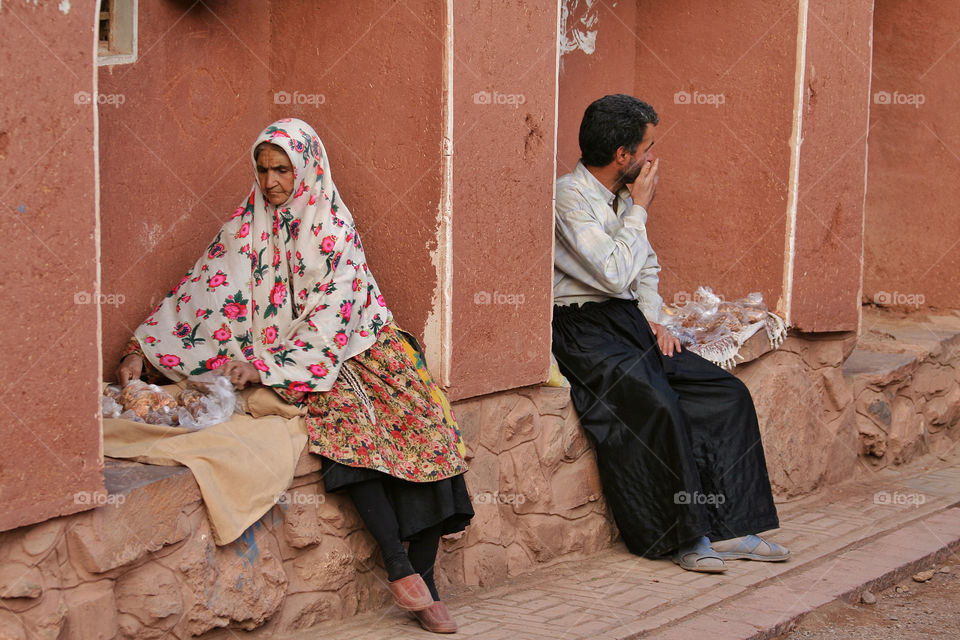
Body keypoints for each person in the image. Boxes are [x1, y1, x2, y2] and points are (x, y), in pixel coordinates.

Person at [115, 118, 471, 632]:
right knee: (351, 435)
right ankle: (398, 566)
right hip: (300, 366)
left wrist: (265, 366)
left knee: (427, 427)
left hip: (363, 345)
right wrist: (141, 349)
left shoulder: (334, 230)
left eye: (282, 169)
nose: (271, 182)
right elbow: (200, 293)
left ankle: (425, 575)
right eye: (262, 170)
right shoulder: (245, 227)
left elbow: (332, 317)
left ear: (307, 168)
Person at [551, 95, 789, 573]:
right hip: (582, 329)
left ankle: (733, 527)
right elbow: (615, 272)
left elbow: (646, 268)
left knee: (724, 393)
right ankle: (682, 536)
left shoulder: (620, 198)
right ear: (623, 154)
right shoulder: (568, 198)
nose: (651, 158)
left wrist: (654, 318)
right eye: (647, 147)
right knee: (657, 404)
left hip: (628, 321)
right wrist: (640, 209)